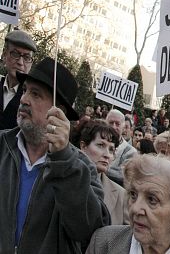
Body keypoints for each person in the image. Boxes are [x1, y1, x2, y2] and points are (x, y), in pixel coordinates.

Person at [0, 56, 109, 252]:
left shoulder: (80, 166)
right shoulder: (3, 145)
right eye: (25, 90)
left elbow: (88, 231)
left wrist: (63, 160)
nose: (24, 99)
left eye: (36, 94)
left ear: (58, 112)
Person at [79, 119, 129, 225]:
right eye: (101, 145)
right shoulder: (65, 181)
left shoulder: (121, 195)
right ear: (83, 146)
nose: (107, 155)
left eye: (111, 149)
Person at [0, 29, 37, 130]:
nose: (20, 62)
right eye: (15, 54)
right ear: (4, 55)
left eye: (26, 57)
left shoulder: (34, 99)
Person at [106, 109, 138, 185]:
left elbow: (124, 175)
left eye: (117, 124)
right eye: (111, 123)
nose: (113, 127)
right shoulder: (96, 142)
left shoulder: (130, 151)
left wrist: (100, 167)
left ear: (123, 127)